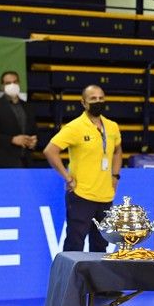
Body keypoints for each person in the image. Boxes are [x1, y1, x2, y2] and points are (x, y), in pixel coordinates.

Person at [43, 85, 122, 252]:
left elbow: (117, 151)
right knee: (75, 242)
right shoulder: (75, 127)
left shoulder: (112, 126)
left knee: (101, 244)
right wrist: (67, 176)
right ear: (83, 102)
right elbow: (50, 150)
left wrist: (115, 175)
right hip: (81, 194)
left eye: (101, 98)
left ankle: (97, 278)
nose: (98, 101)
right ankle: (69, 278)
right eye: (93, 99)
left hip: (105, 195)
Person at [0, 71, 37, 168]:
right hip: (2, 163)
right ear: (2, 86)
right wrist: (12, 140)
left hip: (26, 162)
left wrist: (34, 140)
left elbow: (34, 130)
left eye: (15, 82)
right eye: (8, 83)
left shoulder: (28, 106)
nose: (12, 85)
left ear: (19, 83)